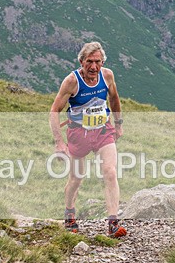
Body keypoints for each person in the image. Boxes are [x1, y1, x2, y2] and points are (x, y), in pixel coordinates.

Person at [49, 41, 126, 238]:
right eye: (89, 62)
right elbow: (54, 110)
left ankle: (113, 223)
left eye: (98, 62)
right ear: (81, 62)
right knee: (77, 178)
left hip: (102, 130)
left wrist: (118, 123)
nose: (93, 67)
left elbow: (114, 99)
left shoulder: (107, 75)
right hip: (78, 134)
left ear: (103, 62)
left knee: (110, 172)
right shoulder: (71, 81)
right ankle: (69, 213)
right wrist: (59, 142)